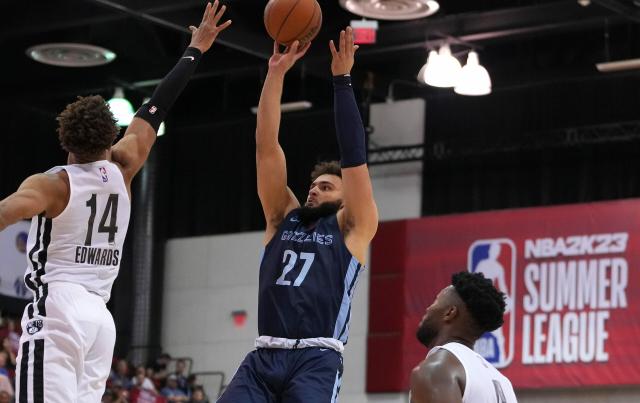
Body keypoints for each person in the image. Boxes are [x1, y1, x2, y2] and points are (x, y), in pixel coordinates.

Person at [0, 2, 231, 401]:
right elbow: (156, 108)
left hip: (59, 310)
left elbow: (5, 212)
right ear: (110, 138)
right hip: (100, 321)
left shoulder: (52, 185)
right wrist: (194, 50)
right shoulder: (124, 167)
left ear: (65, 141)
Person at [217, 26, 378, 403]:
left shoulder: (353, 227)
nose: (314, 189)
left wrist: (342, 82)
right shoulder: (281, 217)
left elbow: (355, 157)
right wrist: (275, 72)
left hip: (316, 357)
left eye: (327, 186)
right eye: (314, 184)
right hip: (264, 355)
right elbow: (266, 146)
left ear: (344, 198)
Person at [410, 272, 518, 403]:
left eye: (435, 301)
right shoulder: (503, 383)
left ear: (450, 312)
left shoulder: (436, 369)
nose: (428, 308)